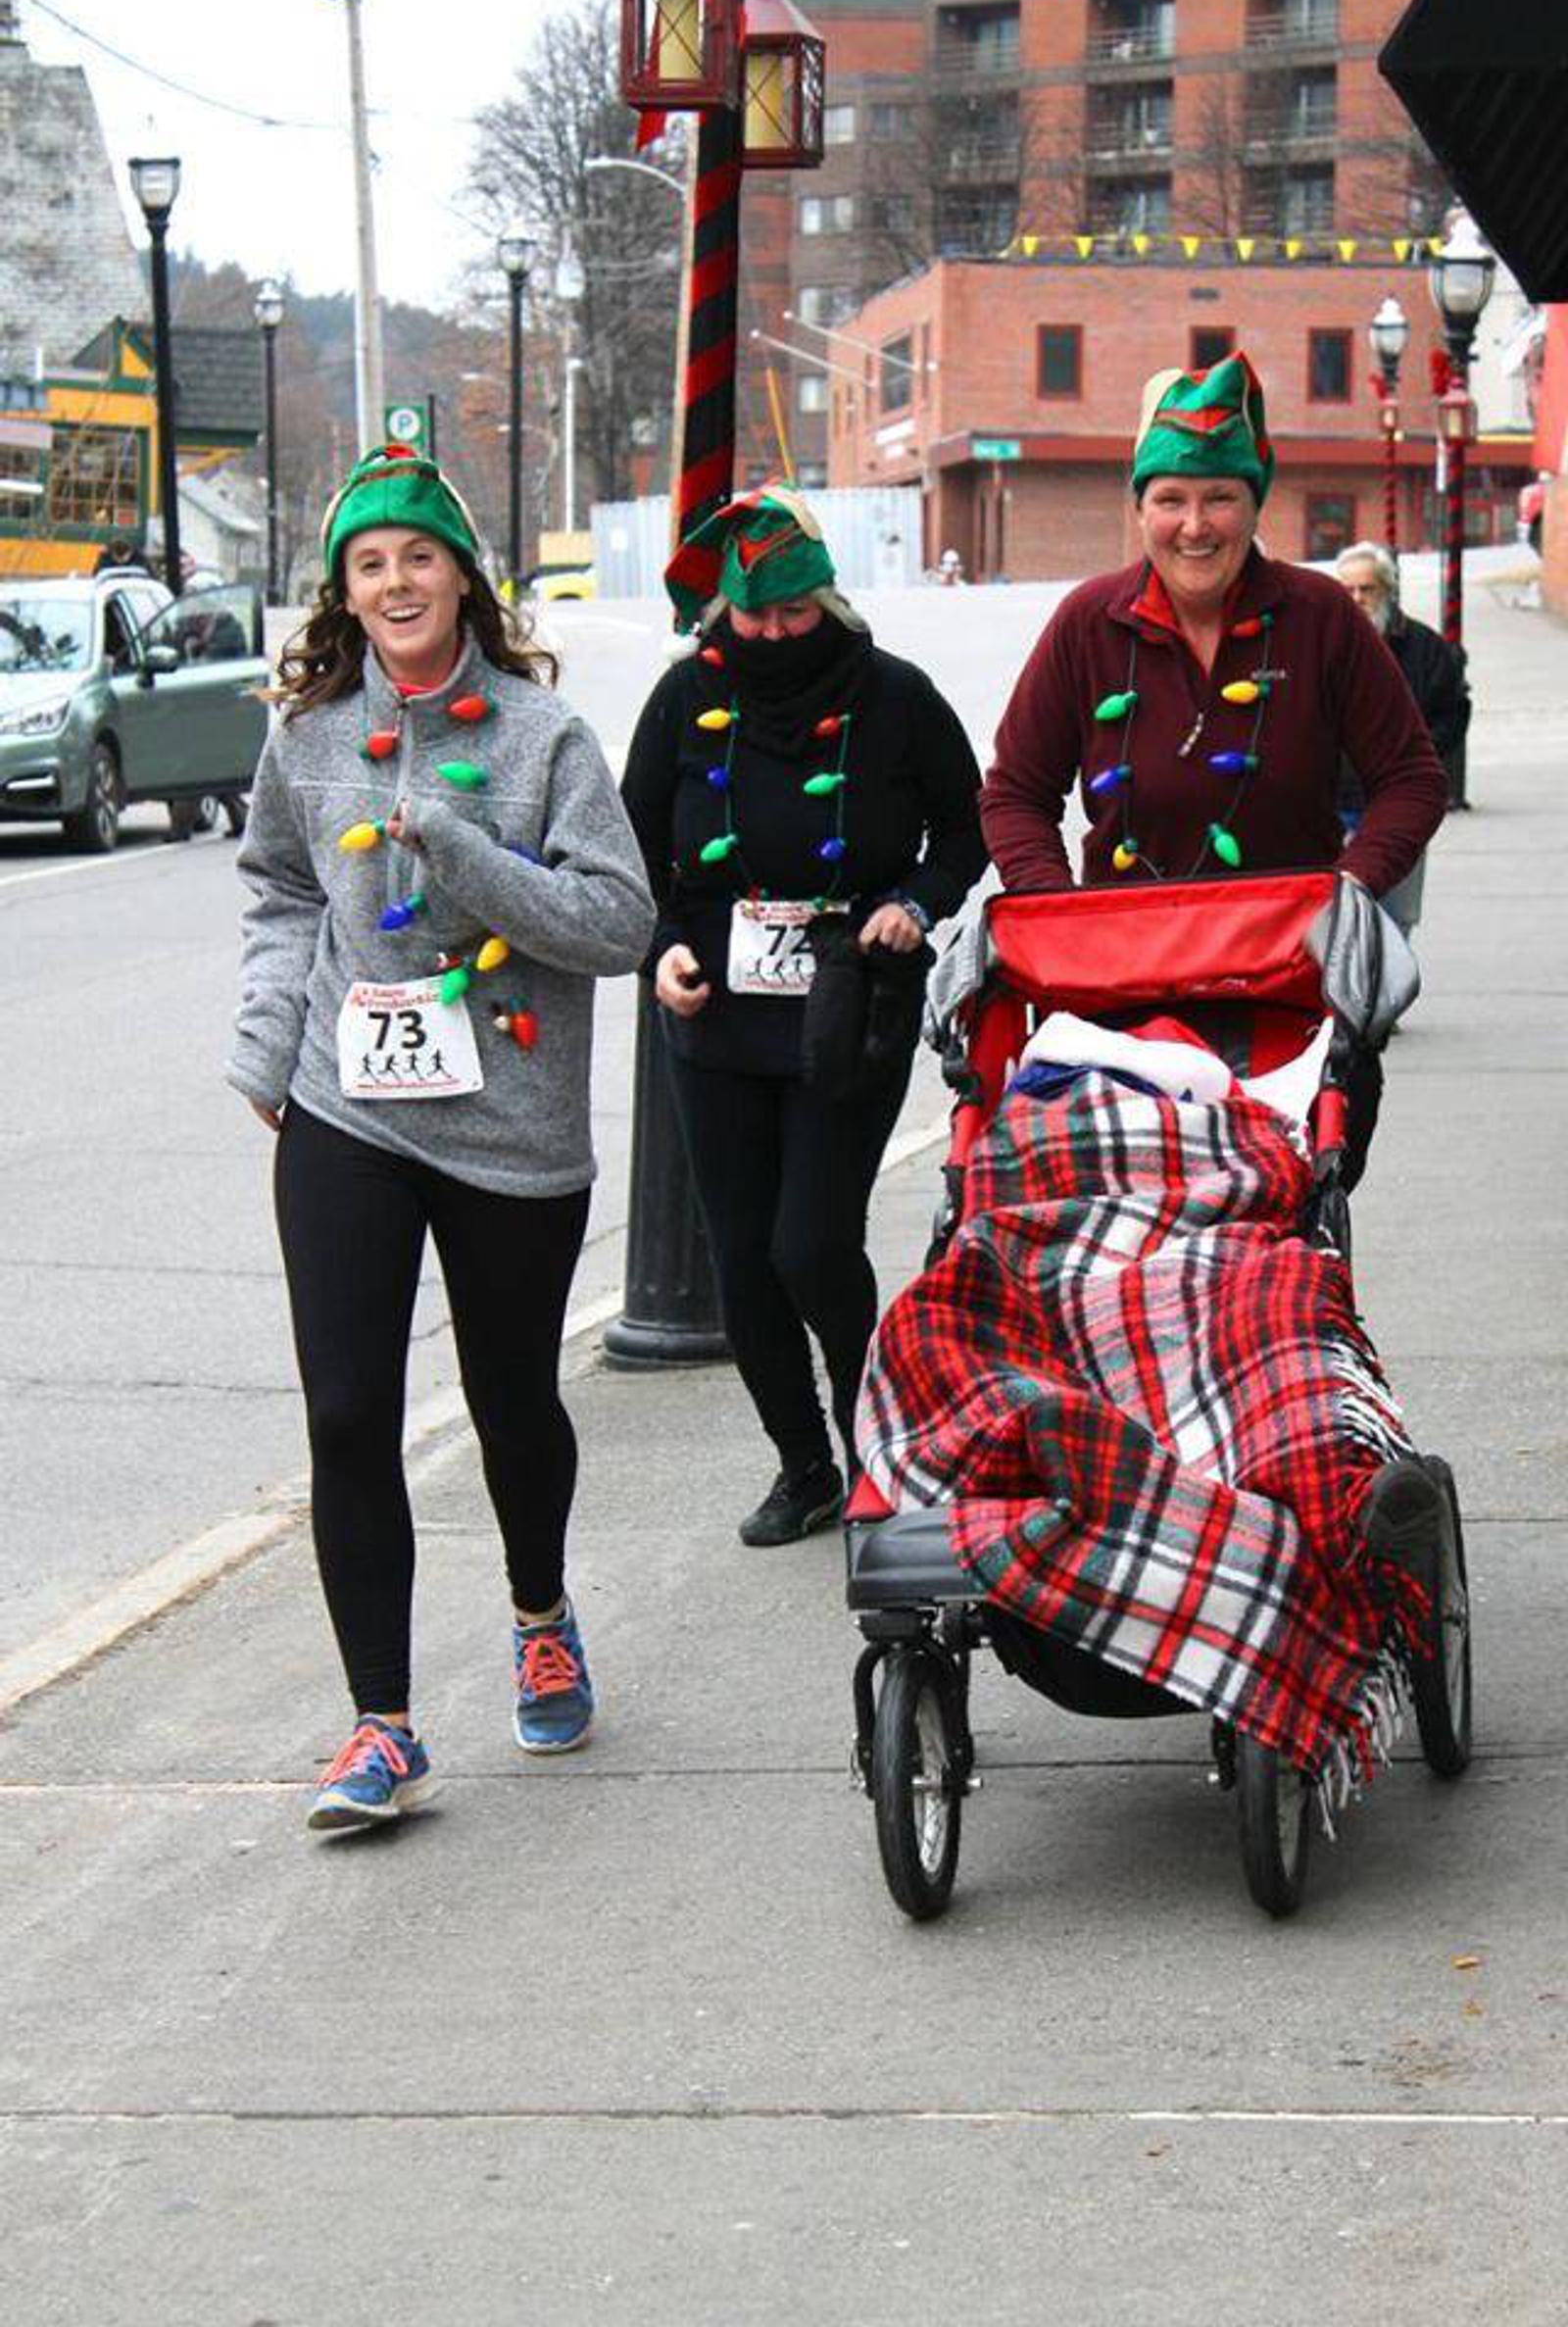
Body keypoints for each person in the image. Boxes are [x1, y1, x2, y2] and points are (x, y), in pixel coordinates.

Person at [226, 443, 654, 1835]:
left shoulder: (543, 738)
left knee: (510, 1402)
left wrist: (467, 857)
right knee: (346, 1414)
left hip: (508, 1125)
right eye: (370, 564)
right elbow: (282, 892)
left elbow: (617, 924)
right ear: (345, 594)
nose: (398, 581)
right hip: (350, 1108)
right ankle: (383, 1727)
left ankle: (540, 1610)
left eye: (420, 555)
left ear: (463, 574)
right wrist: (268, 1036)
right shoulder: (307, 737)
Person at [981, 350, 1447, 1188]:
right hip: (1118, 994)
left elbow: (1412, 778)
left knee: (1283, 1220)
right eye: (1171, 501)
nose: (1195, 526)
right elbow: (1016, 791)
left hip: (1291, 990)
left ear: (1253, 503)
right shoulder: (1088, 623)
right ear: (1140, 509)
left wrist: (1345, 893)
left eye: (1220, 498)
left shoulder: (1322, 617)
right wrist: (1055, 912)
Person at [621, 484, 985, 1547]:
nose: (777, 635)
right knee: (742, 1259)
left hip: (849, 1004)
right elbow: (629, 851)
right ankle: (804, 1466)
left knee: (810, 1244)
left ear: (827, 600)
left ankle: (877, 1439)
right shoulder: (683, 700)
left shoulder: (894, 696)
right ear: (723, 612)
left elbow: (964, 831)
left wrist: (913, 905)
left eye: (794, 613)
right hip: (716, 1010)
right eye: (756, 617)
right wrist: (662, 949)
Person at [1336, 540, 1472, 817]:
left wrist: (1415, 761)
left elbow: (1454, 711)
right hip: (1331, 801)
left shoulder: (1424, 646)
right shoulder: (1318, 644)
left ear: (1388, 590)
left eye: (1367, 589)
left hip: (1400, 799)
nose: (1357, 598)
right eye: (1347, 590)